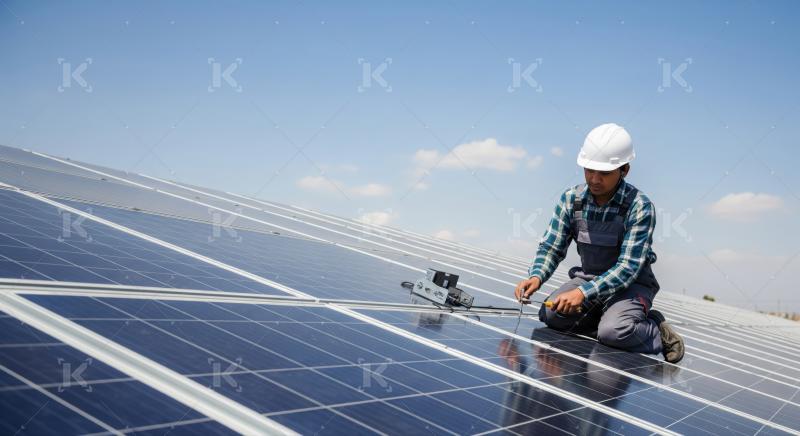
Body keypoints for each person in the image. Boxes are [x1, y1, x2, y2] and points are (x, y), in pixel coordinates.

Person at [514, 123, 685, 363]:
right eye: (589, 170)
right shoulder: (571, 200)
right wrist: (535, 276)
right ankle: (608, 318)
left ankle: (655, 330)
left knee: (614, 332)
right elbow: (552, 247)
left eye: (604, 173)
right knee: (552, 314)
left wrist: (582, 295)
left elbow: (628, 268)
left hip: (631, 286)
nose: (594, 179)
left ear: (624, 170)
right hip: (589, 278)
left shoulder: (639, 206)